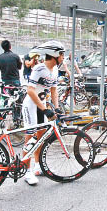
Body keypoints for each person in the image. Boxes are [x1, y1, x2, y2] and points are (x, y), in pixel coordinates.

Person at [21, 41, 64, 185]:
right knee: (31, 137)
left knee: (41, 137)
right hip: (31, 105)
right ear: (54, 55)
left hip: (42, 104)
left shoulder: (55, 70)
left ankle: (38, 166)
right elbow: (30, 90)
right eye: (61, 54)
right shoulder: (40, 68)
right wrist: (44, 109)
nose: (63, 57)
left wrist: (56, 108)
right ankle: (27, 172)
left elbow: (53, 91)